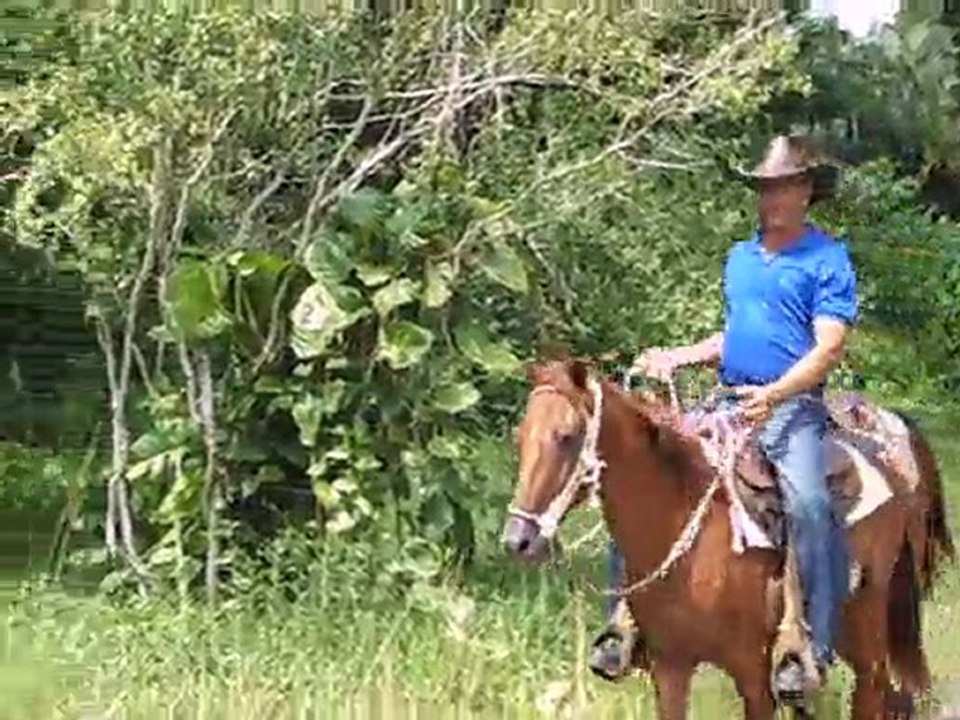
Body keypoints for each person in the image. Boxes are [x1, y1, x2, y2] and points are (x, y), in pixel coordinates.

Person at [589, 135, 857, 695]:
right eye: (764, 189)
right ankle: (627, 622)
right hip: (729, 401)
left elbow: (828, 346)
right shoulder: (741, 258)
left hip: (793, 407)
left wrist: (777, 393)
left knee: (808, 502)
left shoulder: (828, 259)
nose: (771, 199)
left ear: (806, 191)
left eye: (783, 187)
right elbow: (736, 334)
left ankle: (811, 641)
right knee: (642, 473)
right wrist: (679, 355)